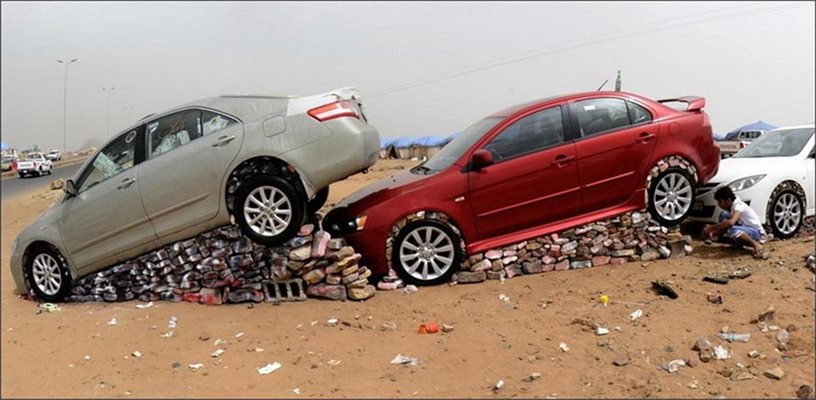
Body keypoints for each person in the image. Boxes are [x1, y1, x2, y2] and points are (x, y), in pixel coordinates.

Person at [702, 186, 769, 259]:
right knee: (724, 215)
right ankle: (736, 243)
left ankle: (756, 244)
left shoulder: (738, 206)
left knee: (732, 229)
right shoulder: (733, 206)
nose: (719, 205)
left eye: (720, 202)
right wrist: (714, 232)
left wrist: (711, 228)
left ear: (728, 200)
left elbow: (731, 222)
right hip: (747, 229)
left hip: (757, 233)